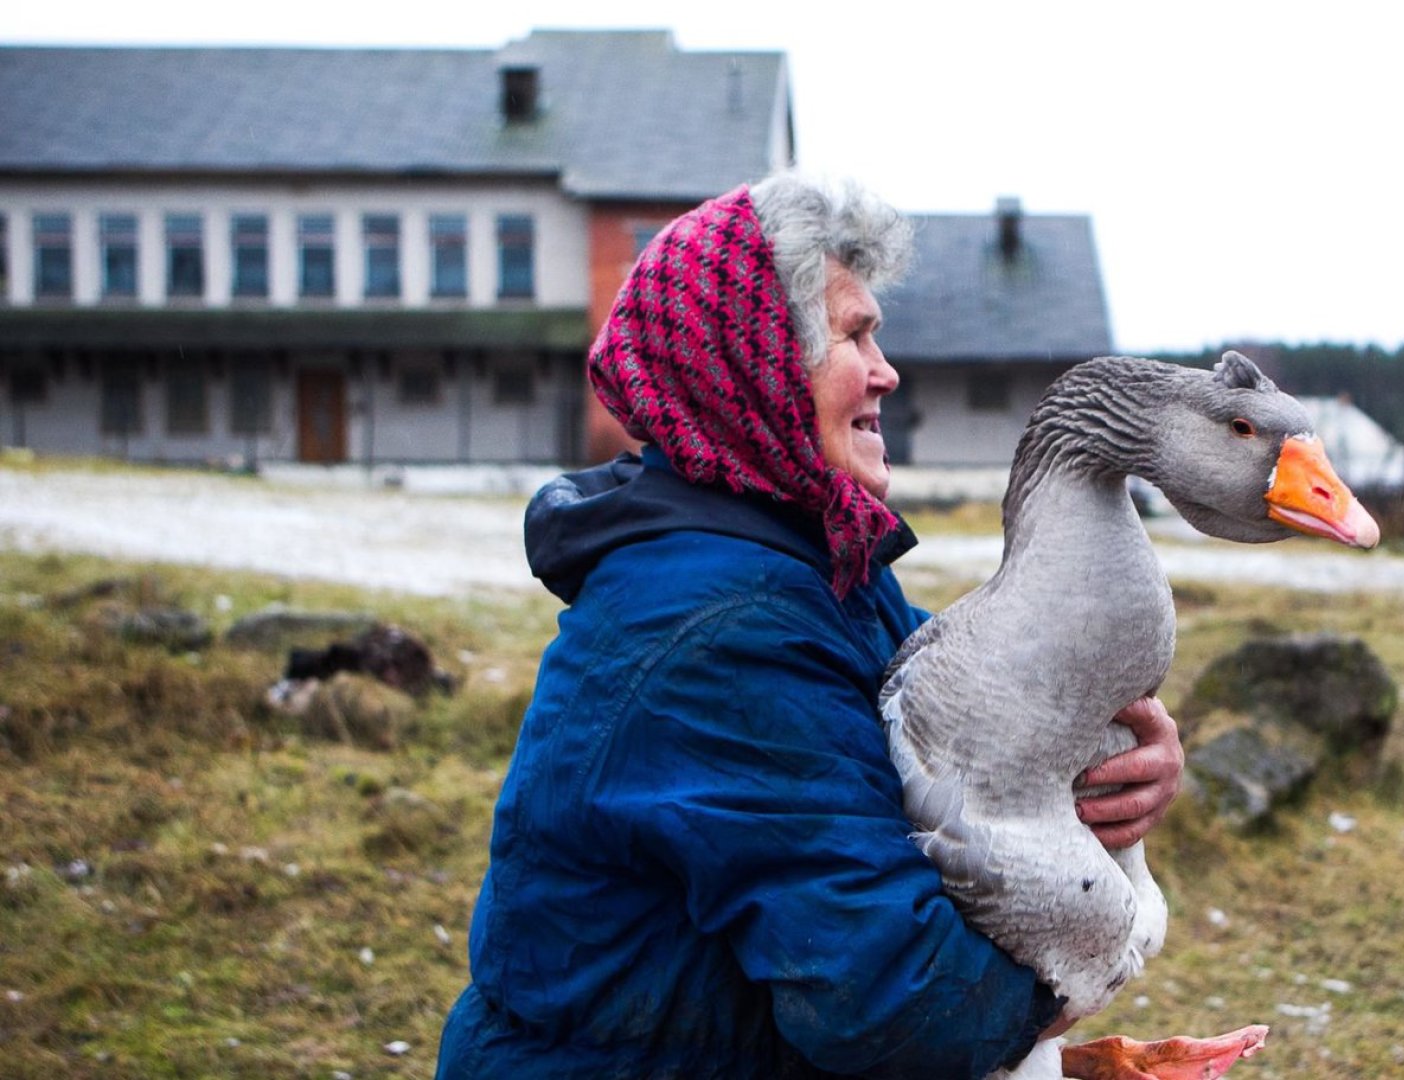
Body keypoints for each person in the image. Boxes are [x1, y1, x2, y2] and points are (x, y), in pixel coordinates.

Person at [434, 173, 1185, 1079]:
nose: (887, 370)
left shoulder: (818, 567)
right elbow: (900, 1005)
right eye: (854, 336)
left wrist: (1119, 767)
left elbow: (977, 749)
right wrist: (1082, 977)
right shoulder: (720, 628)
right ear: (753, 366)